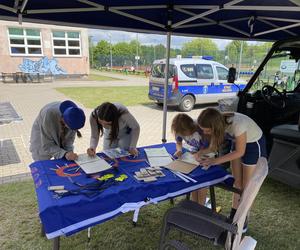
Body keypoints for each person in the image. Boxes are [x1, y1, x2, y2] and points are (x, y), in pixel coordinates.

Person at [196, 108, 267, 231]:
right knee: (237, 182)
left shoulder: (237, 125)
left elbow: (240, 152)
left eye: (207, 130)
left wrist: (214, 161)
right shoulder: (217, 123)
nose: (205, 133)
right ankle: (234, 214)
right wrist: (200, 153)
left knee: (247, 186)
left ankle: (242, 219)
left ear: (214, 127)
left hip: (253, 145)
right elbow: (213, 147)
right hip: (239, 143)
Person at [171, 113, 209, 205]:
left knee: (201, 181)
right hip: (194, 155)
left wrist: (199, 154)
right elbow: (178, 142)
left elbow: (209, 147)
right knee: (193, 179)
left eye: (185, 133)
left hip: (207, 154)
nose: (184, 135)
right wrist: (179, 150)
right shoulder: (179, 130)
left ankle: (201, 207)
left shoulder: (201, 130)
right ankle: (194, 204)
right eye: (181, 134)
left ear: (191, 127)